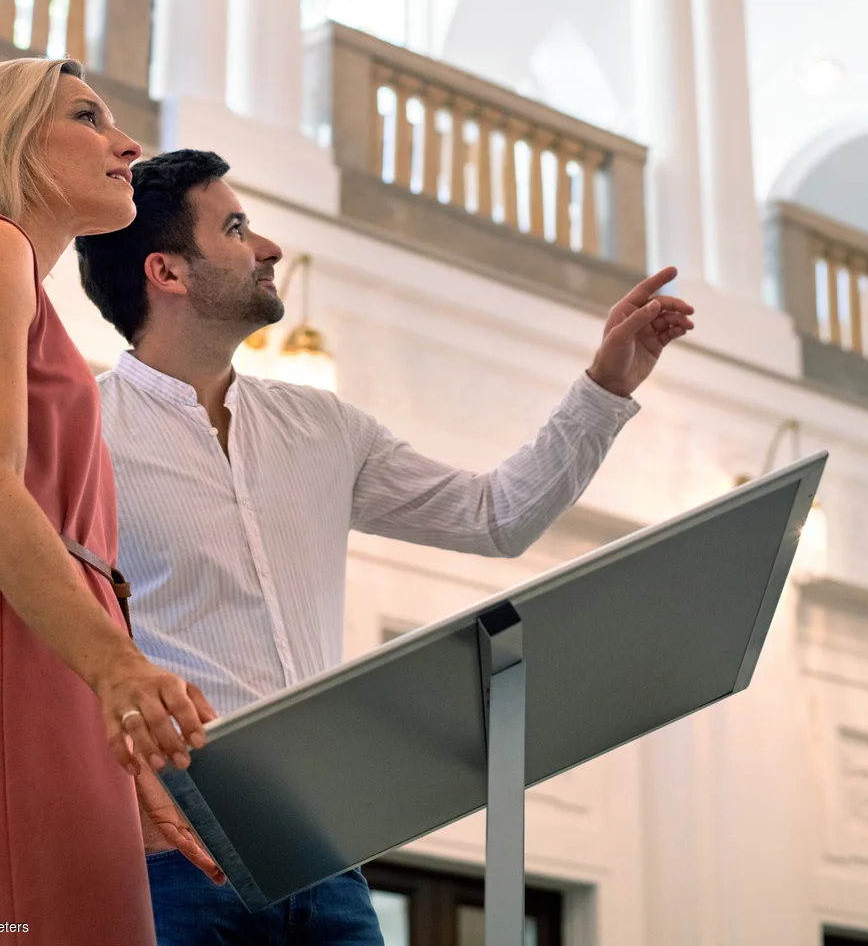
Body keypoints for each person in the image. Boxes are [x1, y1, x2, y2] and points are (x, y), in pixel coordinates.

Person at [77, 148, 694, 946]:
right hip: (172, 860)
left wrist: (606, 388)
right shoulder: (82, 433)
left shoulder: (325, 428)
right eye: (235, 229)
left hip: (324, 857)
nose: (269, 248)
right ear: (167, 272)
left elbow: (495, 515)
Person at [0, 61, 223, 945]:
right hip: (13, 642)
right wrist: (119, 670)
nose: (127, 145)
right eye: (88, 118)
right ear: (8, 141)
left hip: (13, 643)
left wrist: (112, 699)